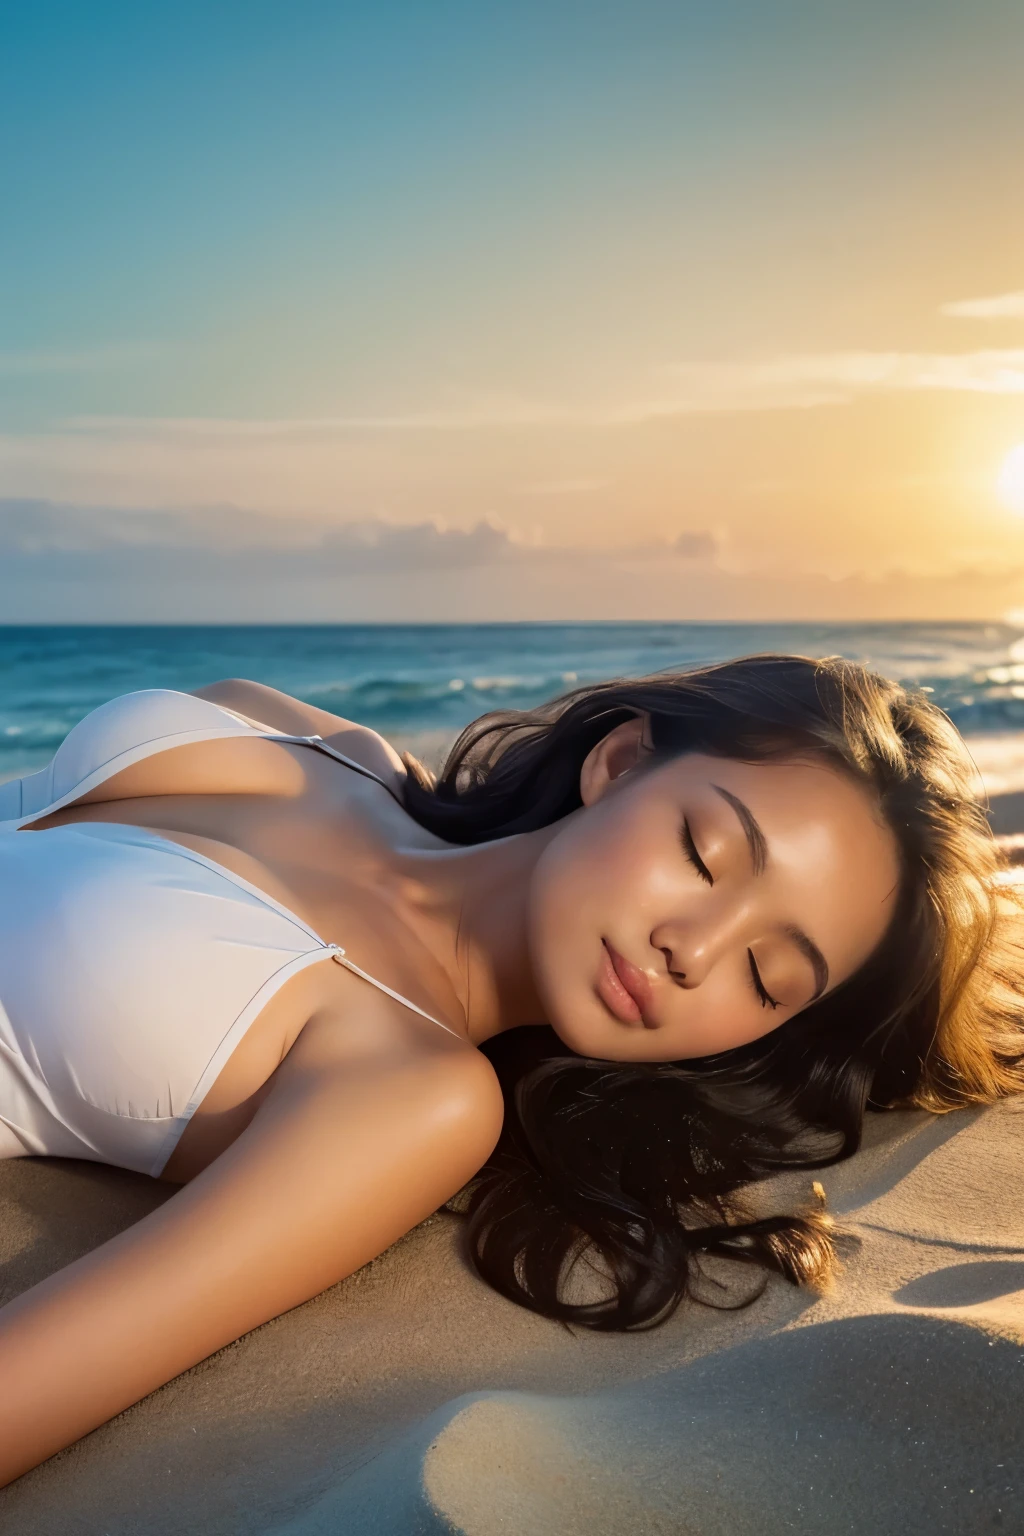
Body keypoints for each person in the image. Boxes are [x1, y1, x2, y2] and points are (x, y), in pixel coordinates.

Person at [0, 653, 1021, 1486]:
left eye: (765, 974)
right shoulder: (335, 751)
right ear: (619, 764)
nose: (692, 950)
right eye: (706, 852)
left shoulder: (413, 1093)